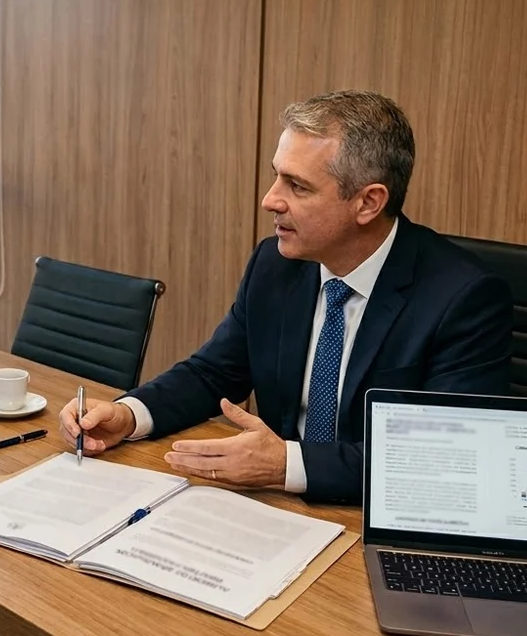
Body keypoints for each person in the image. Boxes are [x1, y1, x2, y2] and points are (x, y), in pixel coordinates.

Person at [59, 90, 513, 504]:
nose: (269, 200)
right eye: (277, 177)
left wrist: (287, 464)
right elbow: (214, 373)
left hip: (371, 526)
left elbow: (443, 464)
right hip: (274, 511)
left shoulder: (464, 299)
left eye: (297, 186)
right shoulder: (276, 265)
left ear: (368, 203)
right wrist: (129, 414)